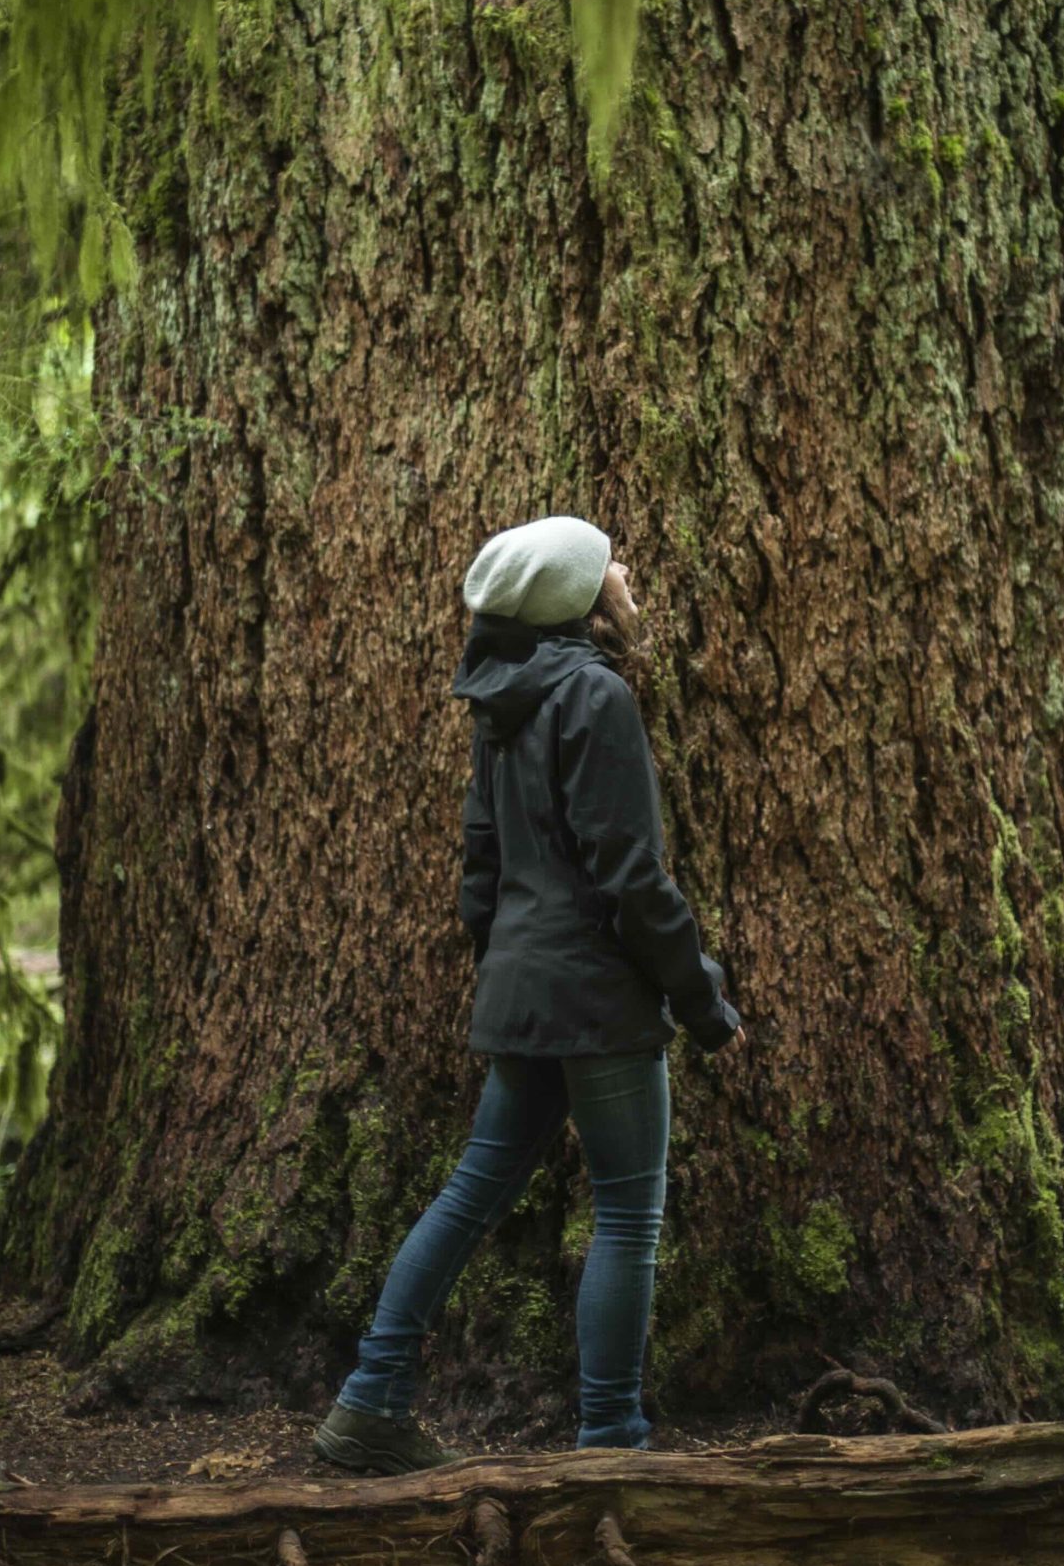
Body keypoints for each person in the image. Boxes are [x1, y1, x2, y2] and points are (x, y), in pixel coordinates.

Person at [313, 514, 745, 1472]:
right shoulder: (596, 698)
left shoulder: (499, 702)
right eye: (610, 566)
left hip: (525, 990)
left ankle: (370, 1401)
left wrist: (512, 972)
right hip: (597, 996)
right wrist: (701, 998)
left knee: (471, 1193)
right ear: (581, 599)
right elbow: (631, 876)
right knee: (629, 1211)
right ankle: (610, 1441)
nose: (625, 573)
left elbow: (481, 872)